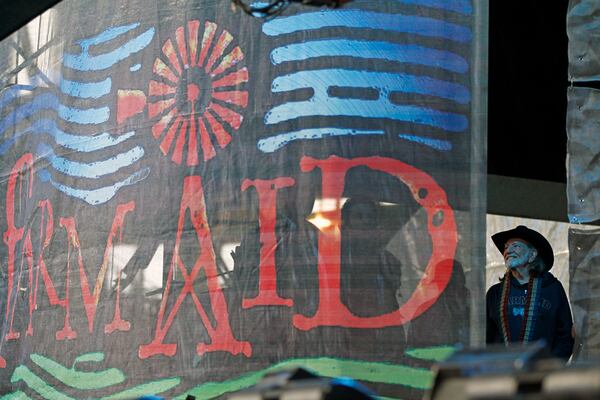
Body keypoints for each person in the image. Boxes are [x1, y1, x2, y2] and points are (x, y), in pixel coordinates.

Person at [486, 225, 574, 360]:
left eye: (515, 246)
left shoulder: (552, 289)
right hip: (502, 372)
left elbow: (565, 335)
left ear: (532, 255)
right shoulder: (495, 293)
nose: (508, 251)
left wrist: (553, 365)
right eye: (506, 247)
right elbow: (485, 337)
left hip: (542, 373)